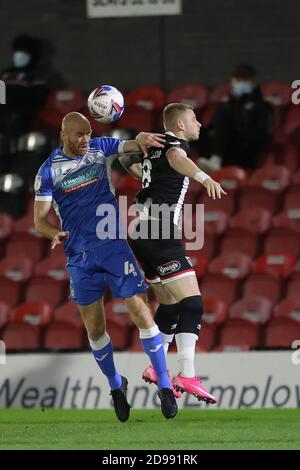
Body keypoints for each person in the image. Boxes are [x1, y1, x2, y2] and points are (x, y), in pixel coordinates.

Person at [33, 112, 178, 422]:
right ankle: (116, 385)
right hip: (80, 257)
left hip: (113, 247)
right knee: (96, 328)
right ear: (64, 135)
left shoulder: (100, 148)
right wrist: (52, 233)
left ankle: (165, 385)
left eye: (88, 133)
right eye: (79, 135)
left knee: (140, 310)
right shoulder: (48, 172)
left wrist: (139, 139)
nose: (85, 139)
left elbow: (126, 146)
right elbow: (39, 219)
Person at [120, 103, 226, 404]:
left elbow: (127, 158)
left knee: (169, 306)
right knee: (192, 303)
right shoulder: (173, 145)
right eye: (194, 120)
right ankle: (187, 375)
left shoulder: (151, 147)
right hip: (159, 232)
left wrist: (139, 165)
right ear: (179, 125)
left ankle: (158, 370)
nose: (200, 124)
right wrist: (204, 178)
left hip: (140, 231)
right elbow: (176, 159)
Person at [198, 63, 273, 172]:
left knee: (226, 113)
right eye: (236, 81)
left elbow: (261, 135)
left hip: (245, 149)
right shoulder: (228, 104)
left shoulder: (262, 106)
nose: (239, 85)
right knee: (190, 127)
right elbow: (213, 126)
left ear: (252, 82)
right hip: (225, 146)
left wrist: (236, 107)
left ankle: (216, 159)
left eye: (243, 81)